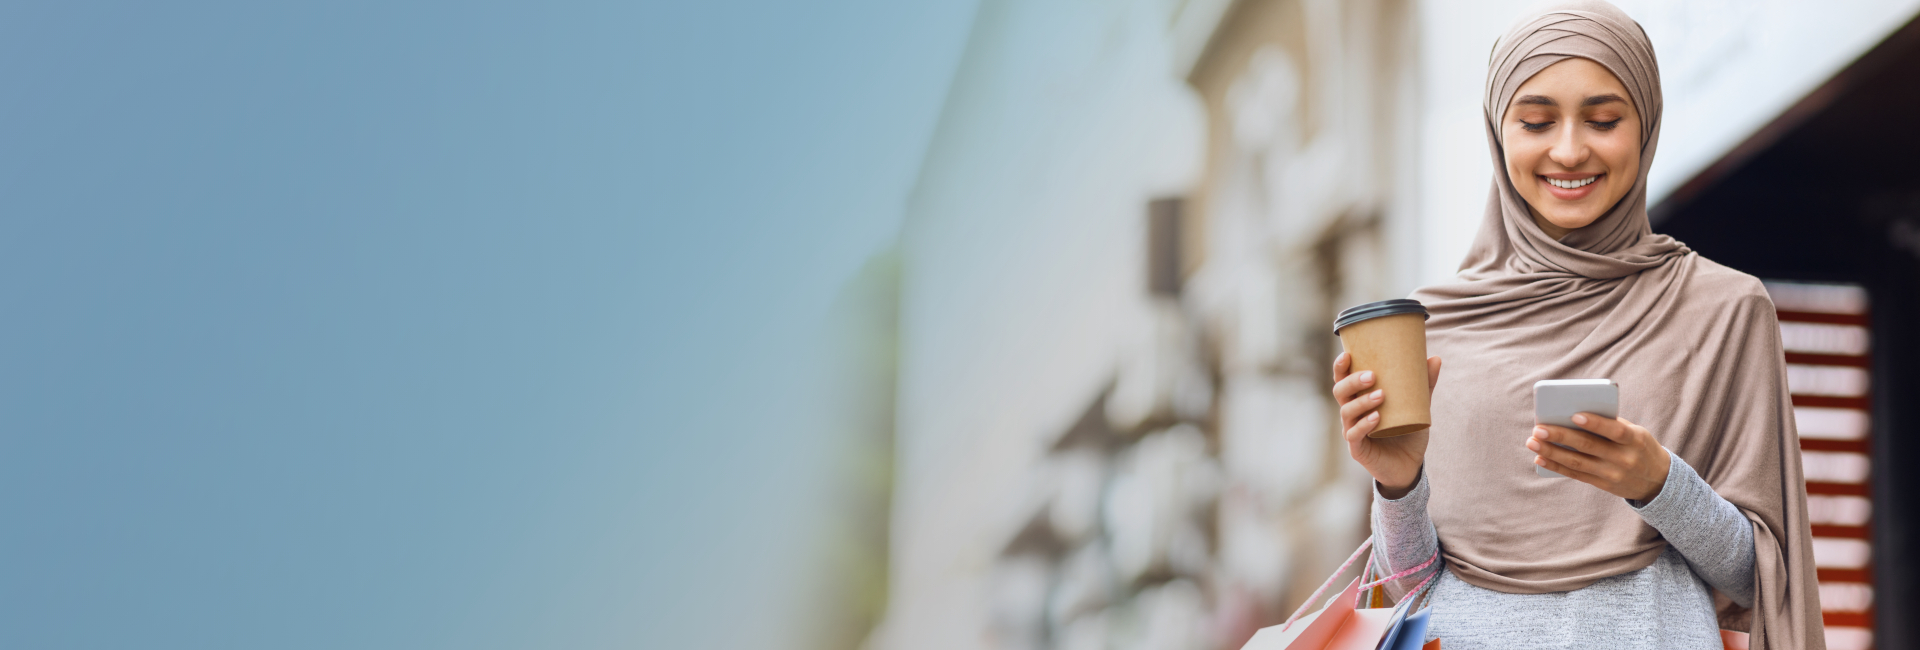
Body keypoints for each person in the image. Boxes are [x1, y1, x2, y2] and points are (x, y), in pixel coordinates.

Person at [1328, 2, 1825, 648]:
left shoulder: (1724, 310)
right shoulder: (1434, 324)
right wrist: (1398, 485)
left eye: (1604, 120)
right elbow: (1411, 591)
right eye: (1536, 122)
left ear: (1646, 125)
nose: (1568, 150)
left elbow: (1760, 579)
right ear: (1497, 132)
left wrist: (1659, 484)